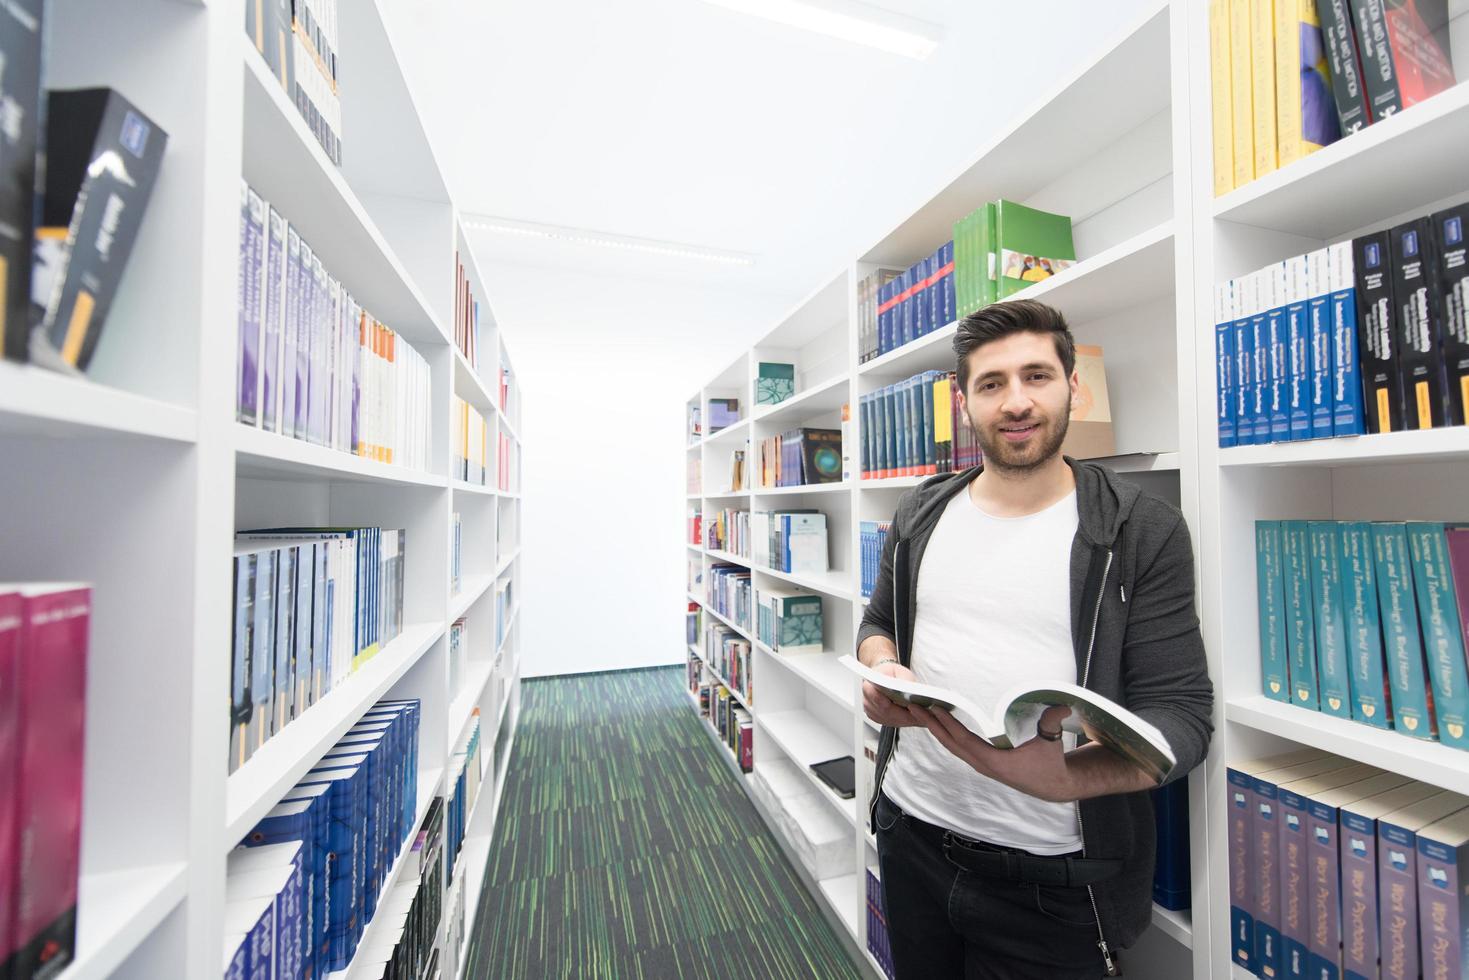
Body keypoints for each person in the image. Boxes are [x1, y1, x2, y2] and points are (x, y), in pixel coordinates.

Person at [857, 299, 1212, 979]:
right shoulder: (921, 511)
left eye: (1036, 376)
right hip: (910, 835)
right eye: (990, 384)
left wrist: (1066, 780)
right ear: (964, 402)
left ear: (1071, 387)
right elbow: (878, 626)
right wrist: (883, 669)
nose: (1015, 402)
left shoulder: (1141, 530)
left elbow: (1184, 718)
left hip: (1052, 883)